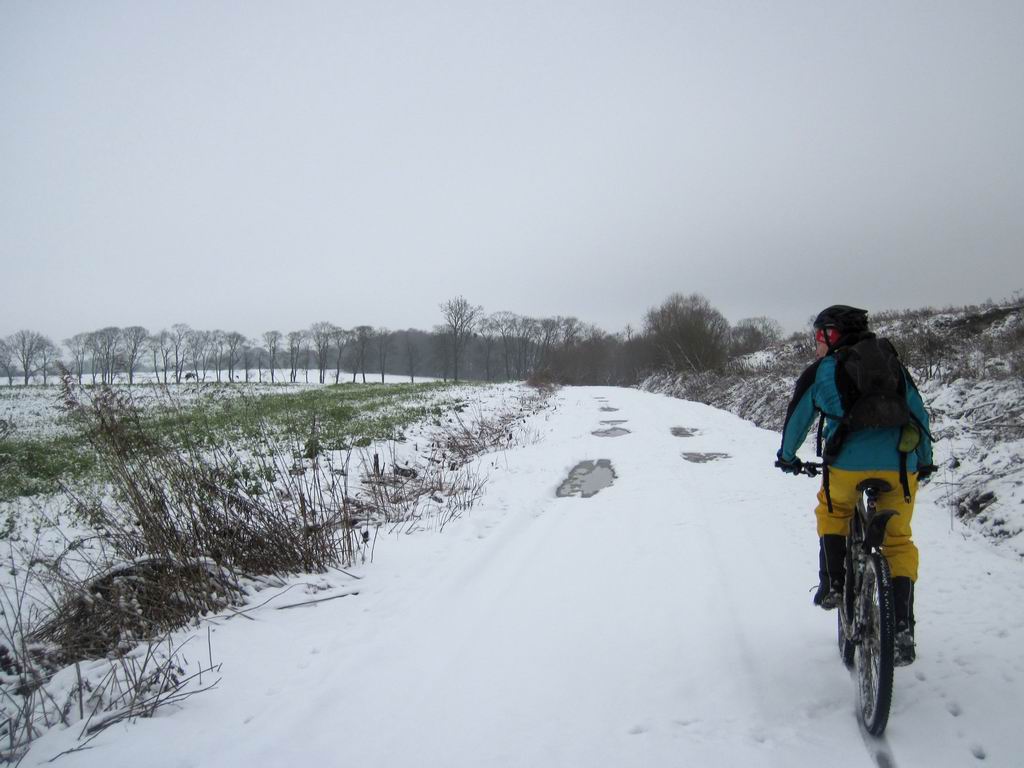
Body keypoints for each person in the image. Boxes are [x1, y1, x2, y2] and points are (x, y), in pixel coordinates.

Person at [775, 305, 935, 666]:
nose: (816, 344)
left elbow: (798, 418)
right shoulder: (891, 363)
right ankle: (901, 629)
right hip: (899, 465)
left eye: (819, 336)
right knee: (897, 541)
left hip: (846, 465)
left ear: (832, 335)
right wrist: (923, 461)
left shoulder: (823, 370)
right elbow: (919, 416)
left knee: (833, 509)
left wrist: (787, 457)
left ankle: (833, 582)